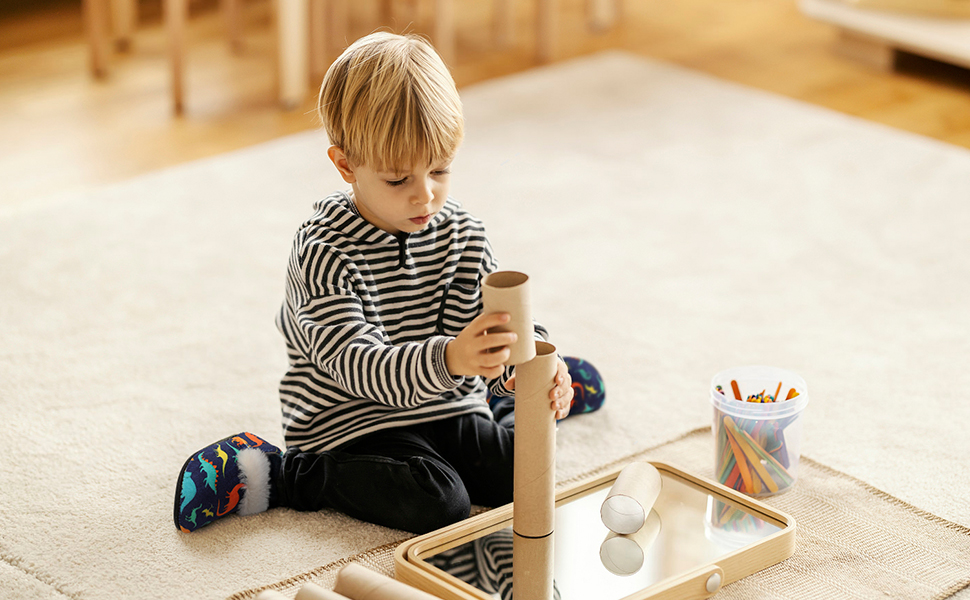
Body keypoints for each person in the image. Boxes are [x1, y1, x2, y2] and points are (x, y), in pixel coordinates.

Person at [173, 32, 604, 535]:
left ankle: (514, 400)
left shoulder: (463, 232)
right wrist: (451, 359)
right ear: (346, 166)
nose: (425, 196)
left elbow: (483, 323)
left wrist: (521, 367)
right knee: (438, 503)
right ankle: (278, 474)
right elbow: (358, 366)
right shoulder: (323, 250)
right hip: (355, 422)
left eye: (440, 170)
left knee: (529, 474)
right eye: (398, 180)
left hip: (446, 402)